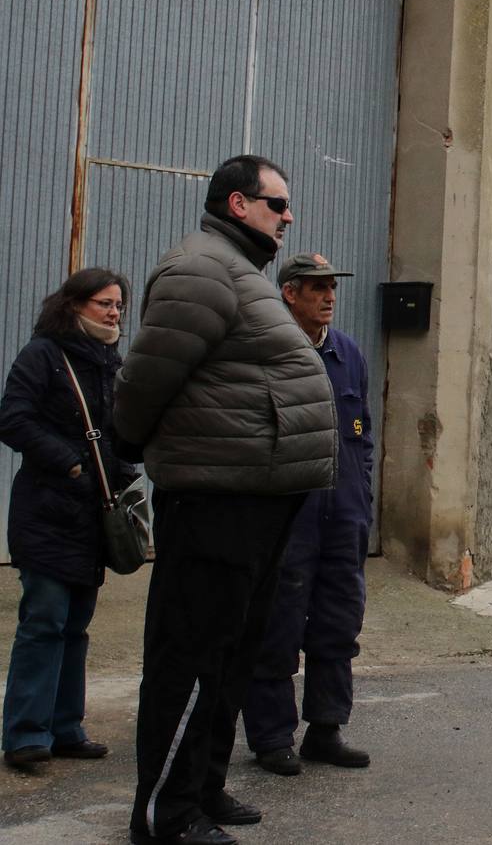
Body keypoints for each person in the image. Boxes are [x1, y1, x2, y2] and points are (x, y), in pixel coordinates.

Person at [115, 155, 336, 845]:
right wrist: (129, 446)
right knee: (190, 659)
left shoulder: (238, 273)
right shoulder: (202, 269)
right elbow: (146, 377)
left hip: (256, 499)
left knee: (232, 655)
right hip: (215, 500)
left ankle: (202, 789)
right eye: (277, 204)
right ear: (238, 204)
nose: (288, 215)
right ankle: (165, 816)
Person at [243, 254, 375, 777]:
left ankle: (326, 729)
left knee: (337, 623)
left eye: (332, 288)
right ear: (289, 293)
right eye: (317, 288)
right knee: (277, 624)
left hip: (342, 515)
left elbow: (362, 431)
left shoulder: (348, 353)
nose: (329, 297)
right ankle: (272, 736)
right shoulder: (267, 351)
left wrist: (360, 494)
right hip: (288, 516)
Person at [1, 269, 134, 771]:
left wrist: (124, 470)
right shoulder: (44, 355)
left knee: (76, 625)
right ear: (74, 304)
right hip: (46, 511)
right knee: (45, 621)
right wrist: (70, 462)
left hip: (91, 517)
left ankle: (64, 728)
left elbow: (116, 430)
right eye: (104, 303)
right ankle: (25, 734)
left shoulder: (110, 360)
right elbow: (12, 418)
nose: (114, 312)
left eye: (119, 304)